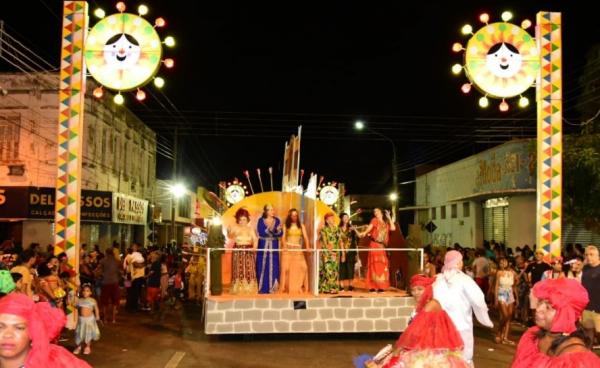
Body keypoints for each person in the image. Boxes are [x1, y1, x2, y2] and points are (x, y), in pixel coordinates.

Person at [357, 274, 469, 368]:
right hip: (421, 349)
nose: (416, 293)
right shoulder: (421, 306)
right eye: (413, 290)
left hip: (431, 352)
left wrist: (396, 351)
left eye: (420, 289)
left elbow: (414, 331)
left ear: (428, 289)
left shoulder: (432, 304)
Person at [511, 278, 600, 367]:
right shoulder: (532, 336)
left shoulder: (579, 360)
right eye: (540, 302)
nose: (538, 309)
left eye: (548, 307)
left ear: (567, 315)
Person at [433, 250, 493, 365]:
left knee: (443, 359)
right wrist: (485, 318)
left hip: (441, 327)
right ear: (458, 263)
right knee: (463, 358)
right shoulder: (465, 280)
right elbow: (479, 299)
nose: (462, 264)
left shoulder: (437, 279)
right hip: (461, 326)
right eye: (460, 261)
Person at [0, 293, 91, 367]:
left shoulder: (57, 360)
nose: (8, 335)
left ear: (33, 331)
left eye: (19, 328)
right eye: (0, 327)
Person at [359, 208, 396, 292]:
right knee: (374, 264)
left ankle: (381, 286)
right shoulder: (374, 220)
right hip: (374, 245)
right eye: (374, 211)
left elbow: (393, 228)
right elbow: (369, 228)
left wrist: (389, 217)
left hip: (382, 246)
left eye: (377, 211)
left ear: (381, 212)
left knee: (382, 265)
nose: (375, 213)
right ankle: (372, 286)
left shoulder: (386, 223)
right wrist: (364, 233)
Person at [229, 208, 259, 295]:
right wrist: (228, 230)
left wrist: (254, 247)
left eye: (244, 219)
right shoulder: (235, 228)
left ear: (247, 220)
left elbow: (255, 239)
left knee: (249, 270)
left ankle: (250, 288)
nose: (242, 221)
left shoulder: (251, 229)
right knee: (238, 269)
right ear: (238, 220)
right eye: (240, 219)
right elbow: (230, 236)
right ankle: (237, 289)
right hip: (238, 251)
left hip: (249, 251)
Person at [280, 208, 310, 294]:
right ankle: (287, 288)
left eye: (296, 215)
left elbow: (306, 237)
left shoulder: (301, 225)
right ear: (290, 216)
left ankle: (299, 286)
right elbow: (283, 237)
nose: (294, 217)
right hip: (288, 248)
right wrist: (285, 246)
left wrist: (307, 246)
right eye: (293, 215)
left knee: (303, 267)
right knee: (286, 269)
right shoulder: (286, 225)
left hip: (297, 248)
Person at [256, 204, 283, 294]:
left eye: (273, 209)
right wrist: (274, 231)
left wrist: (278, 231)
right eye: (270, 210)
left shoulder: (277, 220)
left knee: (274, 265)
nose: (272, 211)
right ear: (266, 211)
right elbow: (261, 232)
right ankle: (262, 288)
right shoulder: (261, 220)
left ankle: (273, 288)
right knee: (262, 265)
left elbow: (280, 234)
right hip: (263, 245)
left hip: (274, 245)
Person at [493, 257, 518, 345]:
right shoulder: (499, 273)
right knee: (505, 315)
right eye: (501, 263)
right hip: (501, 293)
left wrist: (516, 298)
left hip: (510, 294)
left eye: (504, 262)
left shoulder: (513, 273)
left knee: (509, 317)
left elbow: (515, 284)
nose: (503, 264)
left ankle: (505, 337)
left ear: (508, 263)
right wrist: (495, 299)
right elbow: (496, 286)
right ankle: (499, 332)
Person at [319, 212, 343, 294]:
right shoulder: (324, 229)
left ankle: (334, 288)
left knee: (335, 270)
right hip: (327, 253)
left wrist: (342, 253)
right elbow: (325, 242)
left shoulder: (337, 229)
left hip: (336, 252)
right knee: (327, 270)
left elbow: (340, 240)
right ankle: (326, 288)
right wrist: (330, 252)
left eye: (333, 218)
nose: (333, 220)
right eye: (331, 218)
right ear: (327, 220)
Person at [73, 284, 100, 355]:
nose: (85, 292)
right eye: (84, 291)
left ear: (91, 292)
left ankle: (87, 347)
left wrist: (97, 315)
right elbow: (75, 307)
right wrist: (74, 298)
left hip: (89, 320)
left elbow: (96, 309)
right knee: (79, 333)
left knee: (88, 334)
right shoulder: (79, 300)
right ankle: (78, 346)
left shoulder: (92, 300)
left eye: (87, 291)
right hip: (81, 320)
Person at [581, 245, 600, 349]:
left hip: (599, 308)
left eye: (591, 255)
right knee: (588, 332)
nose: (588, 257)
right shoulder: (585, 268)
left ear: (598, 256)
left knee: (599, 333)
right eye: (587, 254)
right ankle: (589, 356)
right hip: (587, 306)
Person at [526, 249, 552, 320]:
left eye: (540, 254)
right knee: (533, 307)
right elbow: (525, 272)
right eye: (536, 253)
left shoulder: (546, 265)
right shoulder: (531, 265)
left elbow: (550, 275)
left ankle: (541, 322)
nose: (538, 255)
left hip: (543, 290)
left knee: (542, 306)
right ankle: (534, 322)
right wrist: (528, 282)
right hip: (533, 288)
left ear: (542, 256)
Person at [98, 248, 121, 323]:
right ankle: (114, 319)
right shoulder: (117, 261)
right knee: (115, 302)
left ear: (106, 253)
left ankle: (105, 319)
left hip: (105, 282)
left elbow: (100, 271)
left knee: (105, 302)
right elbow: (120, 271)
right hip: (115, 282)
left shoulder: (102, 261)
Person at [338, 213, 359, 292]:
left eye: (347, 217)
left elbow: (359, 237)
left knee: (350, 268)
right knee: (342, 268)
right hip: (342, 250)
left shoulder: (351, 228)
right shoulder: (338, 228)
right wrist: (343, 253)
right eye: (344, 217)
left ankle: (350, 285)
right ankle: (341, 286)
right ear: (341, 219)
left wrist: (355, 229)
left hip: (351, 251)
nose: (346, 218)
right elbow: (339, 241)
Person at [124, 243, 145, 311]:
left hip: (129, 276)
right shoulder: (130, 256)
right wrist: (141, 265)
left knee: (130, 292)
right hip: (131, 277)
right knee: (132, 292)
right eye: (134, 247)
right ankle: (132, 307)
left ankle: (129, 306)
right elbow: (136, 265)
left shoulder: (130, 256)